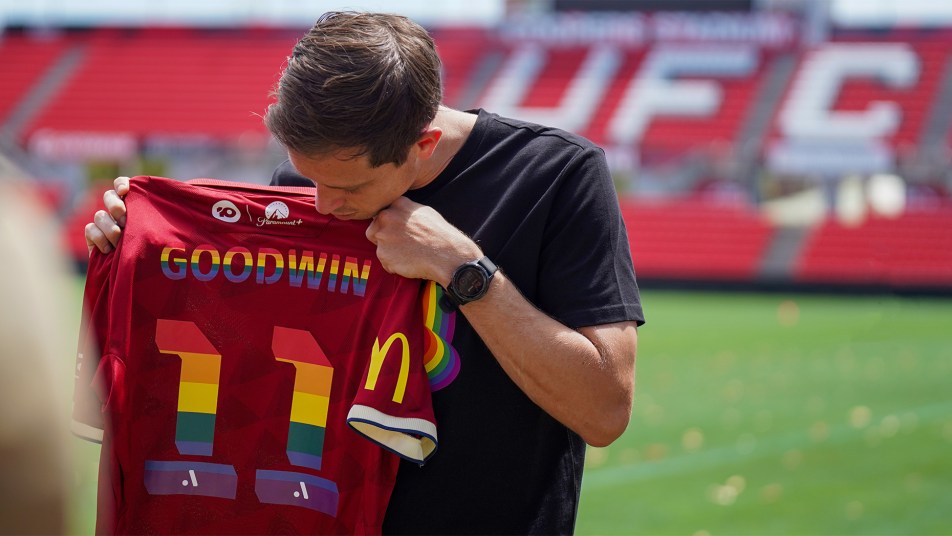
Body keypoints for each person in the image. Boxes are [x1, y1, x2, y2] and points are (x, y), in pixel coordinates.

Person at [85, 11, 644, 534]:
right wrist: (134, 242)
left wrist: (460, 266)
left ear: (421, 145)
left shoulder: (559, 177)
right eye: (309, 177)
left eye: (348, 187)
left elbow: (604, 412)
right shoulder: (298, 188)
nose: (322, 205)